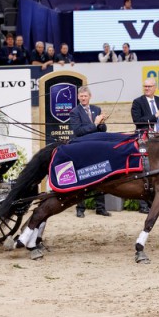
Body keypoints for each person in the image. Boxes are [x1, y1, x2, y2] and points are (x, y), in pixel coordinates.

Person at [131, 77, 159, 214]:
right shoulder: (138, 102)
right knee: (145, 169)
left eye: (149, 86)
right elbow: (138, 121)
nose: (147, 88)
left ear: (155, 87)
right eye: (145, 86)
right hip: (146, 139)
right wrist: (156, 114)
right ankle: (143, 204)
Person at [69, 86, 110, 218]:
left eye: (85, 96)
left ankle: (101, 208)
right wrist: (95, 124)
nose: (83, 98)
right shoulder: (74, 112)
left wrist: (102, 123)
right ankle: (80, 209)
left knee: (100, 175)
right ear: (78, 97)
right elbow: (78, 131)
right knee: (81, 177)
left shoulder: (96, 109)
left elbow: (102, 129)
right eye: (81, 96)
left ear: (89, 97)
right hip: (82, 147)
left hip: (96, 146)